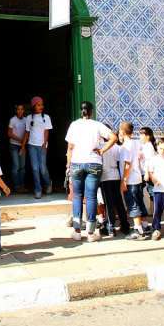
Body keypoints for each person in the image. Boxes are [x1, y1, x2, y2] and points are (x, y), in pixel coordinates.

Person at [65, 101, 116, 242]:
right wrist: (102, 150)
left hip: (76, 163)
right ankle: (91, 233)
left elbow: (70, 147)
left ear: (80, 111)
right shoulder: (97, 125)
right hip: (94, 163)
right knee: (91, 197)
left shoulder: (74, 125)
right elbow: (114, 137)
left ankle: (76, 231)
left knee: (77, 196)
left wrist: (68, 165)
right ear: (92, 111)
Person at [119, 122, 148, 239]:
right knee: (140, 201)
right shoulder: (135, 143)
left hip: (130, 179)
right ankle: (145, 225)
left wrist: (124, 181)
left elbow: (127, 164)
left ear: (123, 132)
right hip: (137, 177)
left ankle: (138, 229)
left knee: (132, 204)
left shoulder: (126, 146)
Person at [99, 124, 128, 237]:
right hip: (116, 175)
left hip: (105, 177)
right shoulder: (117, 147)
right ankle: (124, 224)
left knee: (108, 203)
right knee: (118, 201)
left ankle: (110, 227)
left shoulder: (101, 147)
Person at [22, 97, 52, 198]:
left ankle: (48, 183)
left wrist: (45, 142)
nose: (41, 107)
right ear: (34, 106)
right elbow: (27, 131)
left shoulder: (46, 117)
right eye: (38, 105)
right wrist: (23, 145)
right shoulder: (29, 118)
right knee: (35, 169)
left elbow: (46, 131)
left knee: (42, 168)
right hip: (31, 145)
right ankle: (38, 189)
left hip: (42, 145)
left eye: (42, 105)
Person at [7, 104, 29, 193]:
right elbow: (9, 134)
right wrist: (20, 139)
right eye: (18, 109)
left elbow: (27, 132)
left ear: (24, 110)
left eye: (22, 109)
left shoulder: (25, 120)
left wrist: (23, 144)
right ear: (16, 110)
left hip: (22, 145)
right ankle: (17, 186)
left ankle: (22, 185)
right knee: (16, 165)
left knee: (22, 166)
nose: (20, 111)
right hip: (14, 145)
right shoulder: (13, 120)